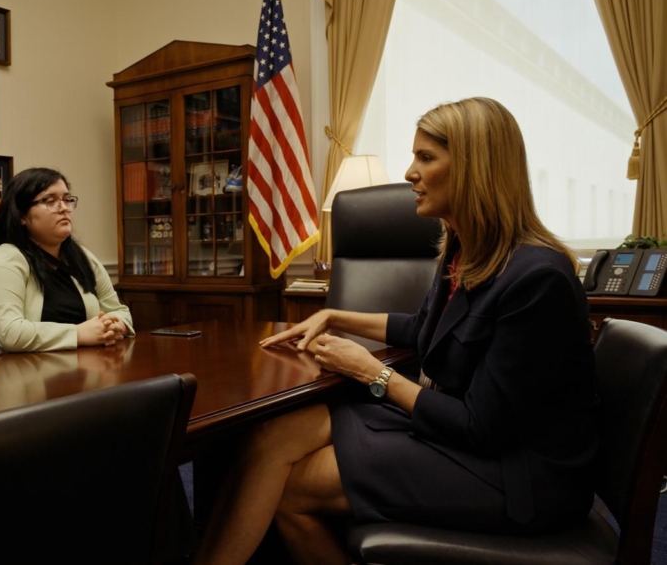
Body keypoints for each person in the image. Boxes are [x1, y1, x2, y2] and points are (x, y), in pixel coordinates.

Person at [193, 97, 598, 564]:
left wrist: (373, 373)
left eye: (426, 157)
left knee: (294, 489)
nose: (409, 173)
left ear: (475, 169)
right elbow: (424, 328)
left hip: (518, 475)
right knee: (273, 433)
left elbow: (481, 428)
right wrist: (334, 315)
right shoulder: (463, 250)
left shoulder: (537, 278)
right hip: (461, 434)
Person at [0, 167, 133, 357]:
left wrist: (116, 325)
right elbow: (10, 333)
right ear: (21, 216)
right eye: (49, 201)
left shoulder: (83, 258)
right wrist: (79, 333)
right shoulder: (2, 262)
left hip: (83, 367)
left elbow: (119, 311)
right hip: (9, 372)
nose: (64, 208)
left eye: (67, 199)